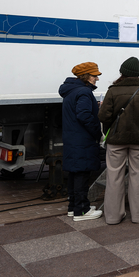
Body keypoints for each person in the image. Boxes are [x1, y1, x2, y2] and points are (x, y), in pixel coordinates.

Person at [98, 57, 139, 225]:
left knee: (114, 176)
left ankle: (113, 216)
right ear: (138, 73)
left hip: (116, 140)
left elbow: (103, 116)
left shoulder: (113, 90)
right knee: (138, 176)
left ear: (122, 72)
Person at [59, 62, 103, 221]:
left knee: (74, 172)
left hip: (73, 139)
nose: (97, 78)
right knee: (82, 174)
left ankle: (73, 207)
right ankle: (81, 211)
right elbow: (84, 115)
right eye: (94, 75)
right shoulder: (84, 92)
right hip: (83, 139)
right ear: (86, 76)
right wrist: (97, 132)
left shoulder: (71, 91)